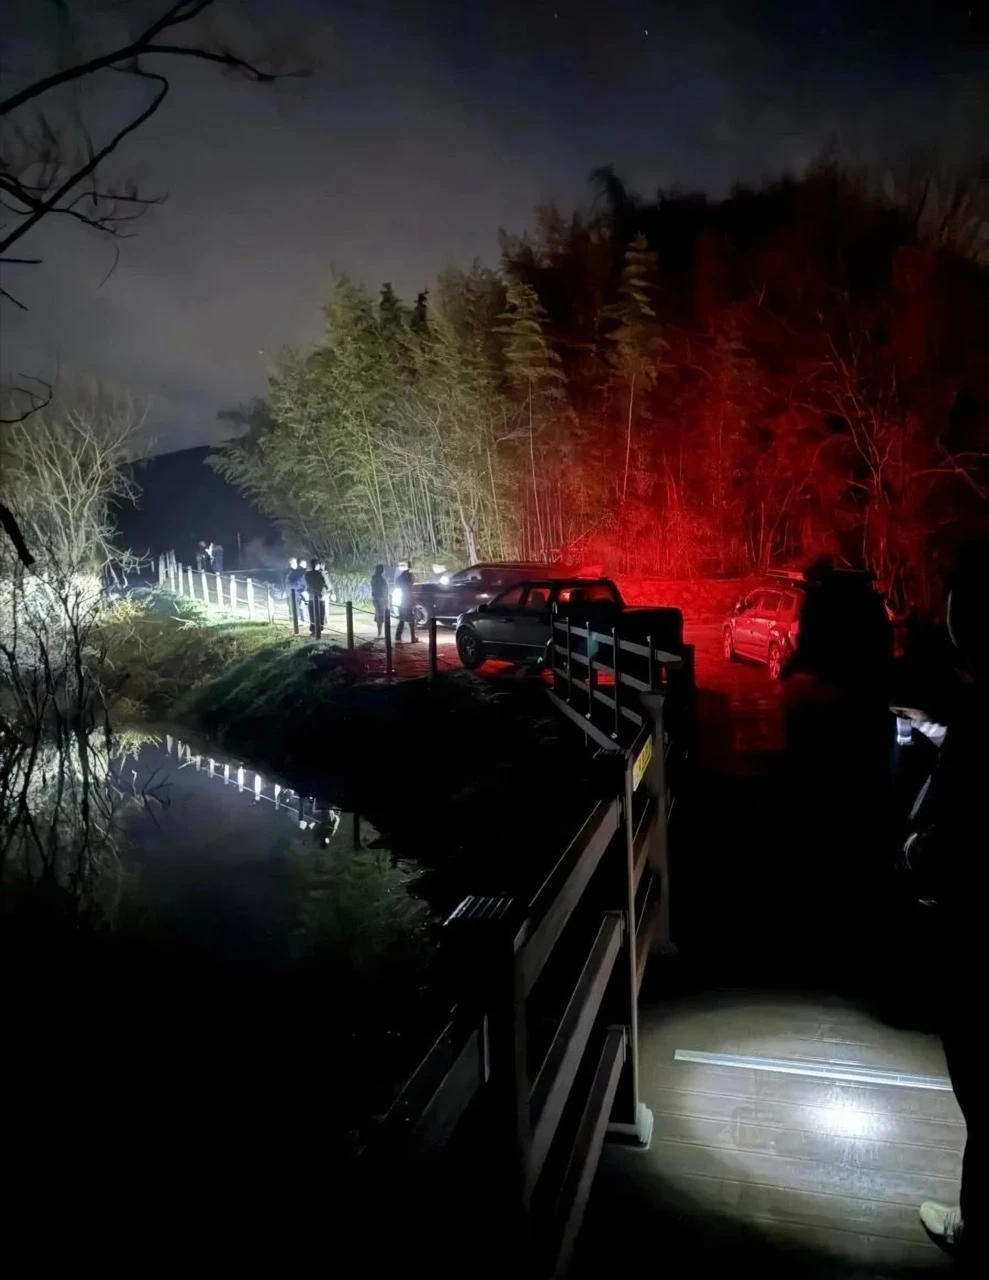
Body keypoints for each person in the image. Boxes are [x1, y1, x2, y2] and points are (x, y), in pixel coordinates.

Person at [904, 541, 989, 1258]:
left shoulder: (981, 716)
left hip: (975, 926)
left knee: (983, 1083)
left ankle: (978, 1226)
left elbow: (952, 832)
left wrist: (915, 853)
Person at [394, 561, 418, 643]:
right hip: (407, 599)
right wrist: (412, 600)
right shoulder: (408, 576)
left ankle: (398, 636)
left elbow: (397, 584)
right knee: (411, 619)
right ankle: (413, 637)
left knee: (402, 619)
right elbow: (409, 589)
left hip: (403, 599)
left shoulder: (401, 576)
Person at [305, 559, 327, 637]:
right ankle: (319, 628)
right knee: (320, 613)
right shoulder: (319, 574)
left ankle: (313, 629)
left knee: (312, 613)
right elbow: (323, 584)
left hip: (311, 596)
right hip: (319, 596)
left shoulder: (307, 574)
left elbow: (306, 584)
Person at [370, 563, 389, 639]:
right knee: (380, 616)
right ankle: (380, 633)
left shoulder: (374, 578)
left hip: (376, 598)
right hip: (380, 598)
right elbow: (383, 589)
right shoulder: (379, 579)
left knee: (379, 616)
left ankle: (379, 632)